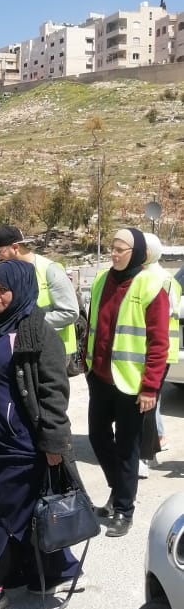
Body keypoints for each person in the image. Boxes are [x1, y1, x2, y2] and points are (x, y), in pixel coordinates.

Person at [0, 259, 85, 609]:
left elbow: (53, 394)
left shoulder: (36, 331)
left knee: (6, 515)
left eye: (3, 290)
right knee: (25, 511)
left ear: (22, 289)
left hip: (22, 444)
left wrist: (54, 445)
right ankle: (59, 570)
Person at [84, 228, 169, 537]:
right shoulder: (100, 281)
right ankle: (119, 489)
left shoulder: (150, 285)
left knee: (127, 448)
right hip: (100, 377)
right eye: (113, 248)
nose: (114, 253)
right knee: (97, 436)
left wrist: (150, 388)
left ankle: (124, 509)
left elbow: (159, 343)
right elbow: (92, 325)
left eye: (121, 249)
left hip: (132, 385)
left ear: (136, 253)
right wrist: (86, 364)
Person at [0, 224, 80, 360]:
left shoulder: (50, 270)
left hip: (53, 352)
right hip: (24, 349)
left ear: (15, 248)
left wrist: (25, 324)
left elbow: (70, 313)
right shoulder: (7, 272)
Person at [142, 233, 181, 464]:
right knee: (152, 396)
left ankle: (152, 445)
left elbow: (161, 317)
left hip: (158, 349)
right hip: (162, 349)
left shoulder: (161, 280)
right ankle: (159, 436)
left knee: (148, 396)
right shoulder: (162, 277)